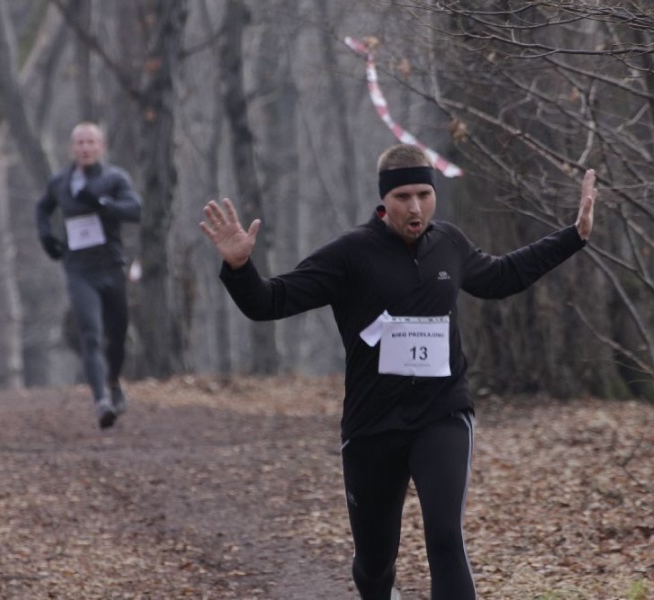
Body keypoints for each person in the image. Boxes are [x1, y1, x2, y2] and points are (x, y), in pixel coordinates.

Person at [200, 144, 596, 599]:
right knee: (374, 563)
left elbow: (503, 276)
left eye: (424, 195)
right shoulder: (349, 254)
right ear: (383, 200)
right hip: (373, 423)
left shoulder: (449, 244)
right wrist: (239, 267)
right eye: (403, 196)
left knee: (445, 537)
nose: (415, 207)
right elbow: (270, 302)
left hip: (442, 414)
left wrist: (574, 236)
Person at [36, 122, 142, 429]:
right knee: (91, 334)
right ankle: (101, 402)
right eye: (80, 143)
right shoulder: (60, 182)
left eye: (90, 142)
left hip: (112, 268)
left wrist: (103, 204)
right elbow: (41, 209)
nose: (85, 148)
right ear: (72, 148)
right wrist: (46, 237)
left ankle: (113, 381)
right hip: (79, 270)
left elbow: (135, 210)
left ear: (101, 147)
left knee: (117, 336)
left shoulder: (114, 178)